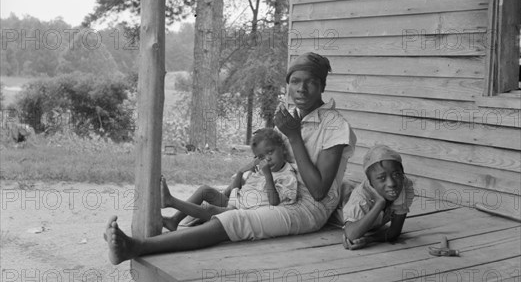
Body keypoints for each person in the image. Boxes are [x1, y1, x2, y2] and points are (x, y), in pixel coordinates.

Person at [105, 52, 357, 264]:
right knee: (222, 200)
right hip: (278, 193)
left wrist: (293, 136)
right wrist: (243, 179)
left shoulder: (335, 126)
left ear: (323, 85)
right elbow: (272, 162)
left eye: (311, 82)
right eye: (295, 81)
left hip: (307, 208)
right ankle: (168, 227)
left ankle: (136, 247)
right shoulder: (290, 118)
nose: (301, 89)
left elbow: (319, 191)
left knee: (235, 219)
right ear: (288, 84)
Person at [160, 128, 298, 229]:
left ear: (283, 149)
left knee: (209, 209)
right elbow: (237, 188)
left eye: (270, 152)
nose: (267, 159)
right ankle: (174, 220)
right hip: (235, 203)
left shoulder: (287, 175)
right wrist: (241, 172)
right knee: (204, 190)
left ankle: (171, 201)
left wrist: (268, 176)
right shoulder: (260, 171)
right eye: (261, 157)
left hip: (242, 213)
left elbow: (274, 202)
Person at [342, 145, 415, 250]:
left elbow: (394, 232)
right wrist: (379, 204)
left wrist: (368, 239)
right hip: (336, 206)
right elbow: (351, 235)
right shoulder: (361, 197)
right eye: (381, 177)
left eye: (396, 174)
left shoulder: (404, 185)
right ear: (370, 182)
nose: (391, 183)